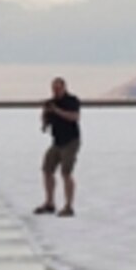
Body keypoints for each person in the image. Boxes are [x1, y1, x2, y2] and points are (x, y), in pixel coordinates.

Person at [36, 76, 81, 214]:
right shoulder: (51, 103)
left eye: (58, 88)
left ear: (64, 88)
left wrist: (56, 110)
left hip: (71, 141)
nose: (55, 91)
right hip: (57, 141)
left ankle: (69, 206)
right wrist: (45, 117)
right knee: (47, 169)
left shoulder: (72, 101)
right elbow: (46, 124)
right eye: (53, 88)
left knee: (66, 173)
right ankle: (50, 202)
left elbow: (74, 117)